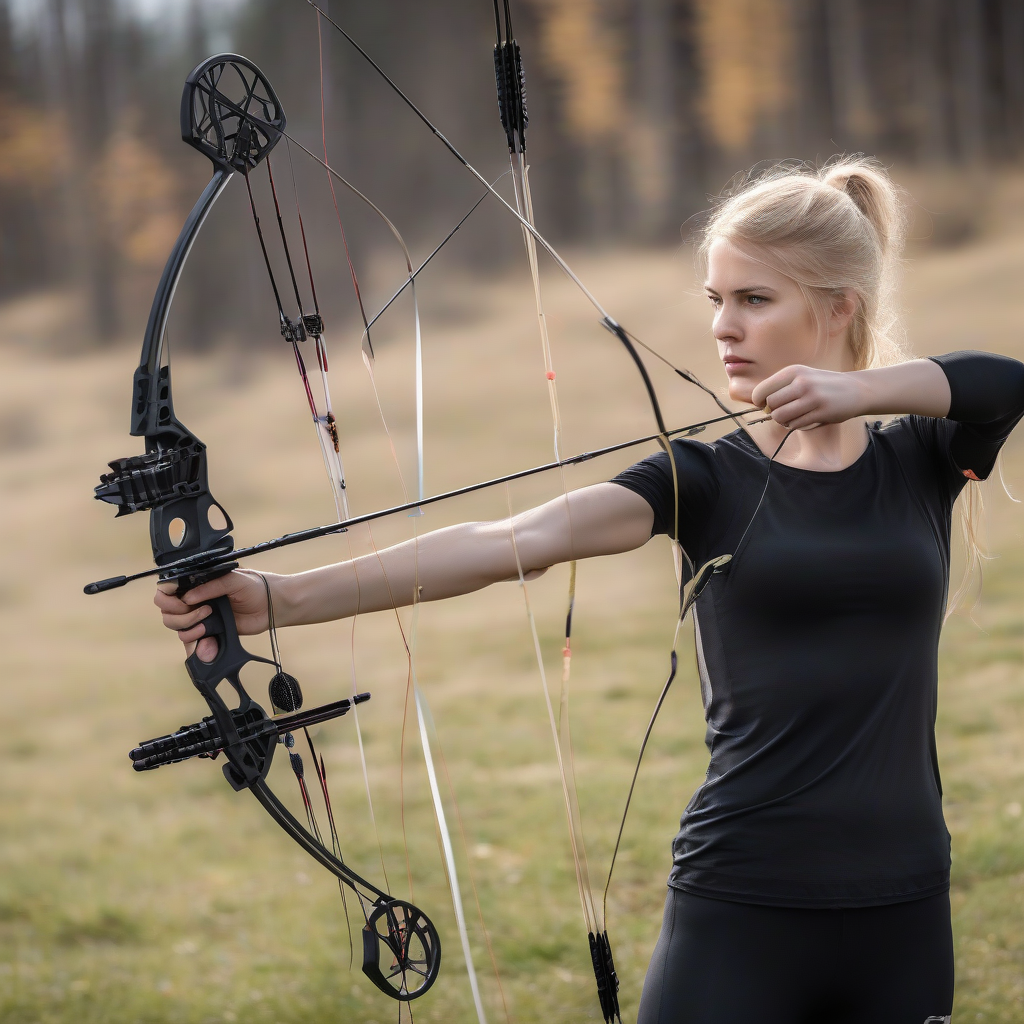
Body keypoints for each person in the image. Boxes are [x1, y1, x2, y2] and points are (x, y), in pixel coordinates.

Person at [156, 157, 1024, 1024]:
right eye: (715, 299)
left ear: (840, 306)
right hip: (744, 896)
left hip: (905, 898)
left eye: (755, 300)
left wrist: (858, 391)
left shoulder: (921, 459)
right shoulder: (705, 481)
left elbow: (1006, 383)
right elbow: (509, 542)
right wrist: (279, 598)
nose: (724, 326)